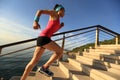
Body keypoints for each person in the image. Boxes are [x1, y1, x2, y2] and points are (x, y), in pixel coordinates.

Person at [20, 4, 65, 80]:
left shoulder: (57, 20)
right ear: (59, 10)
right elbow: (39, 11)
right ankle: (44, 67)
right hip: (44, 38)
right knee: (60, 51)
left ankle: (23, 79)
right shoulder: (54, 13)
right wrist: (35, 21)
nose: (64, 13)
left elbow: (52, 31)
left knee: (34, 62)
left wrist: (60, 26)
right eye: (63, 11)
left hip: (42, 39)